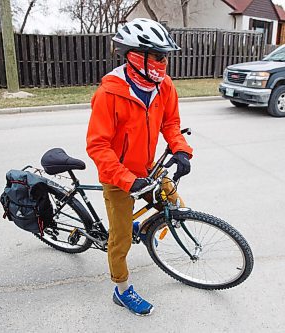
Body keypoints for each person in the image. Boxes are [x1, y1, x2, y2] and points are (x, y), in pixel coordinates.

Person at [86, 18, 193, 316]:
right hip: (118, 177)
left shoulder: (163, 86)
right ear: (136, 55)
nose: (164, 62)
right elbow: (98, 146)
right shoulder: (109, 93)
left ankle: (142, 227)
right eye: (159, 56)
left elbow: (171, 123)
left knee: (174, 204)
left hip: (147, 167)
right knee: (119, 239)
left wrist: (181, 151)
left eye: (166, 56)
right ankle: (121, 290)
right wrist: (126, 180)